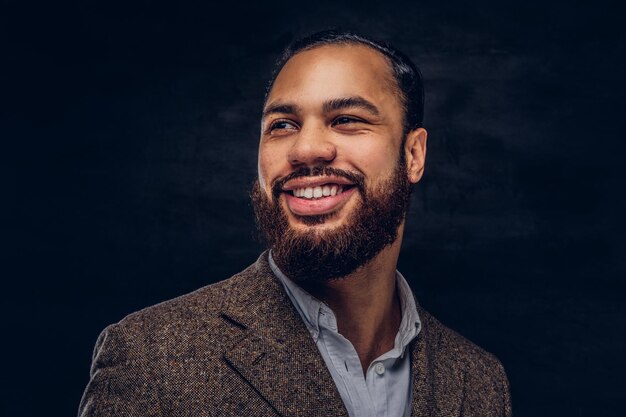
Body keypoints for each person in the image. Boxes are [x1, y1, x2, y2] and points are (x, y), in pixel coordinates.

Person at [79, 30, 512, 417]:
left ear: (413, 155)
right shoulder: (152, 358)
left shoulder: (479, 381)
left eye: (346, 120)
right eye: (282, 125)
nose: (306, 148)